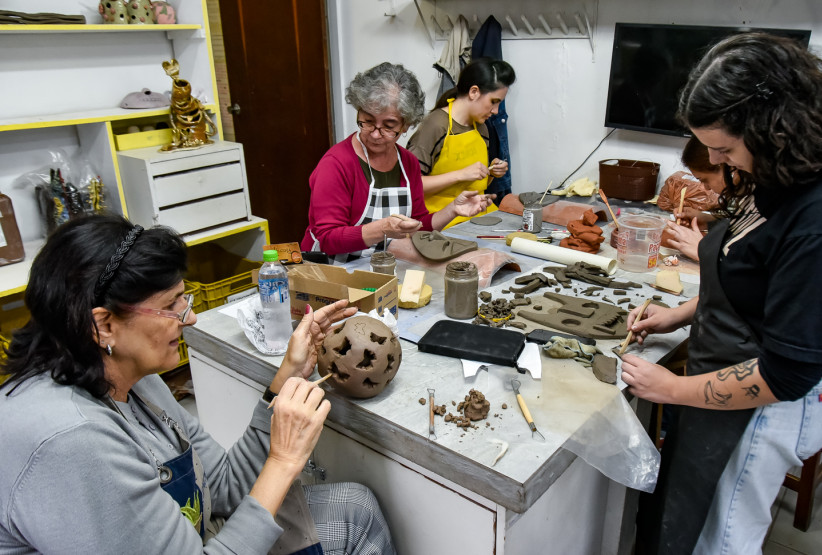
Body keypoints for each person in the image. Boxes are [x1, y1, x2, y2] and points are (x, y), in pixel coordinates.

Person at [621, 33, 822, 555]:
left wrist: (672, 388)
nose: (717, 161)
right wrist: (680, 315)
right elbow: (756, 282)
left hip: (771, 399)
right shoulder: (791, 170)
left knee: (722, 538)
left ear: (775, 125)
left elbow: (785, 373)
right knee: (688, 516)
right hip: (730, 370)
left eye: (725, 150)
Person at [0, 214, 395, 554]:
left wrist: (287, 375)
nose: (189, 318)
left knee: (355, 508)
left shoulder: (133, 380)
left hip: (196, 534)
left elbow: (222, 486)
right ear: (104, 324)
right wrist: (284, 462)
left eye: (183, 300)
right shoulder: (71, 443)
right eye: (171, 306)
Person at [302, 63, 493, 263]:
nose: (375, 134)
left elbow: (418, 225)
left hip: (376, 264)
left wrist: (452, 209)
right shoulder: (336, 164)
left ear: (406, 125)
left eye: (388, 126)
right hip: (331, 267)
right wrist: (383, 229)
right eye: (368, 121)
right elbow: (328, 239)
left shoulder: (408, 163)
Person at [407, 58, 515, 221]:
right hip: (439, 222)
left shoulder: (481, 127)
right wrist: (460, 174)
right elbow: (409, 186)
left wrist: (491, 172)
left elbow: (473, 185)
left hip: (477, 216)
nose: (495, 111)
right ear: (474, 92)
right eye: (493, 102)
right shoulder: (436, 126)